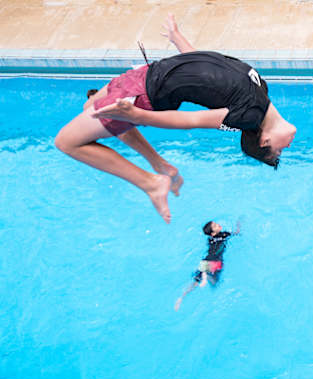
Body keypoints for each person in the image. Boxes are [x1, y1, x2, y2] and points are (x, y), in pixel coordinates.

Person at [55, 13, 296, 224]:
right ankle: (160, 165)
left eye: (280, 150)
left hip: (143, 94)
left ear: (264, 140)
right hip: (146, 74)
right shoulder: (260, 89)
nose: (288, 146)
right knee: (90, 105)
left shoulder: (246, 115)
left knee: (66, 142)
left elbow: (190, 121)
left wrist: (137, 114)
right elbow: (205, 68)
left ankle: (149, 183)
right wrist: (177, 37)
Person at [174, 220, 240, 311]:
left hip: (206, 260)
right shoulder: (224, 235)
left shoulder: (210, 240)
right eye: (215, 226)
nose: (218, 225)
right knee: (215, 283)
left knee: (196, 281)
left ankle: (181, 297)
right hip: (216, 261)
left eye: (216, 224)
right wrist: (238, 226)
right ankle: (206, 277)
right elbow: (236, 233)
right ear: (212, 233)